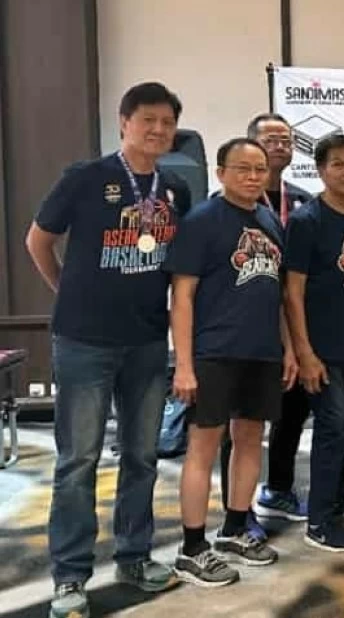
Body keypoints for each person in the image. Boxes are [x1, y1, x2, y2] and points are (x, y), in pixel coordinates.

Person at [27, 82, 190, 618]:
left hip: (146, 341)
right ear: (123, 122)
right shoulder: (86, 178)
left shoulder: (175, 189)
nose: (159, 131)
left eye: (167, 122)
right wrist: (66, 293)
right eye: (148, 120)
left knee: (142, 457)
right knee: (79, 460)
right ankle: (71, 575)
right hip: (84, 342)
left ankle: (134, 556)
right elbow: (38, 241)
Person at [166, 138, 297, 586]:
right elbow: (181, 297)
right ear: (220, 172)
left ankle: (236, 528)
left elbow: (278, 296)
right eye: (242, 168)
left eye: (260, 168)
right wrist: (183, 364)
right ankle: (192, 547)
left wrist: (289, 348)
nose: (253, 176)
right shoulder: (201, 221)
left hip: (261, 352)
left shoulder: (268, 220)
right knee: (204, 447)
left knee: (249, 440)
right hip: (213, 352)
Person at [213, 114, 315, 537]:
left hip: (294, 321)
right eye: (270, 138)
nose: (279, 145)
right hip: (242, 328)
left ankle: (279, 489)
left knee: (292, 413)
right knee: (237, 427)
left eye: (286, 139)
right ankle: (239, 509)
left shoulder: (306, 200)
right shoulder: (228, 204)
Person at [282, 135, 344, 549]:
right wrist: (304, 352)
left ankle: (339, 498)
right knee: (330, 430)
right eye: (338, 165)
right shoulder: (308, 220)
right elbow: (292, 292)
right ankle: (319, 521)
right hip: (323, 349)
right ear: (321, 170)